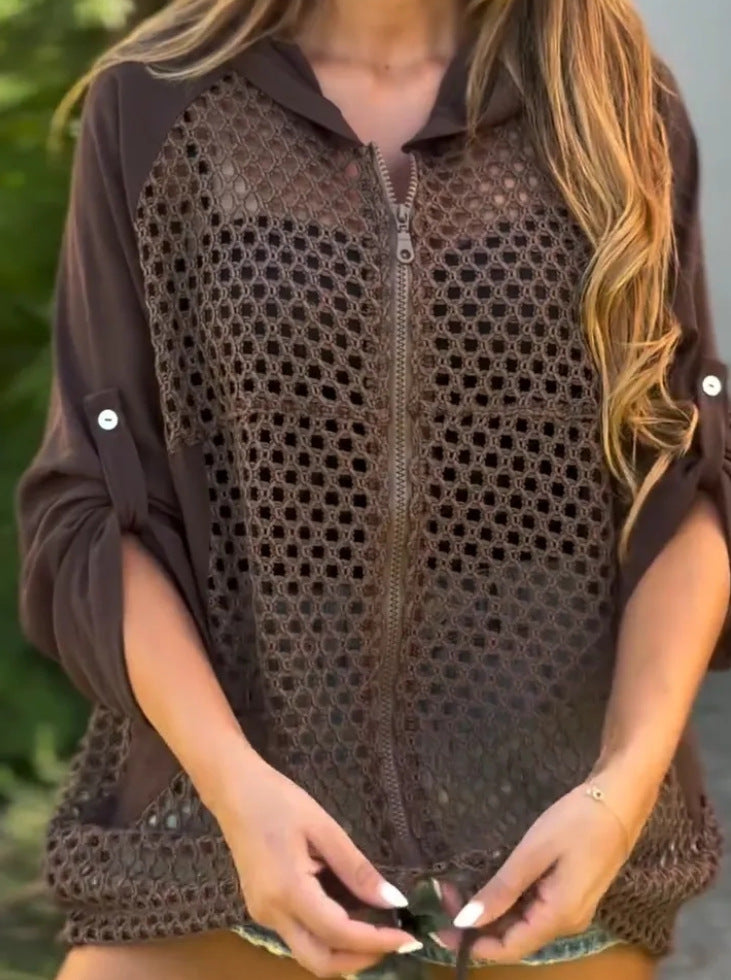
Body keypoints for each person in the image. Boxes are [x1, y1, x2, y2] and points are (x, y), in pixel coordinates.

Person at [15, 0, 731, 978]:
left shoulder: (613, 97)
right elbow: (101, 505)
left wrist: (622, 789)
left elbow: (679, 487)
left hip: (543, 852)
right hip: (223, 834)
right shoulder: (156, 98)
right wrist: (235, 788)